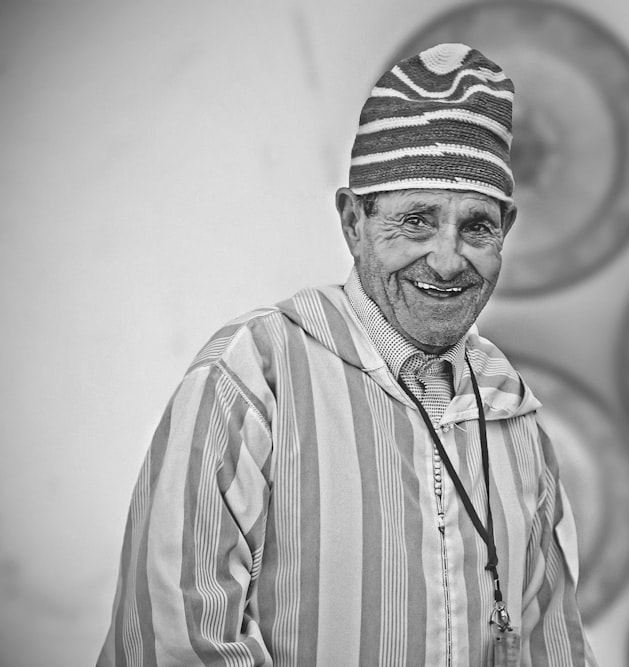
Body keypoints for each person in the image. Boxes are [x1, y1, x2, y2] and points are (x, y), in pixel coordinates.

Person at [98, 42, 596, 666]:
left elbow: (553, 648)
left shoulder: (510, 411)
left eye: (476, 227)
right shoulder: (254, 375)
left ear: (506, 229)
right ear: (353, 220)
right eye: (416, 220)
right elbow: (177, 645)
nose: (447, 260)